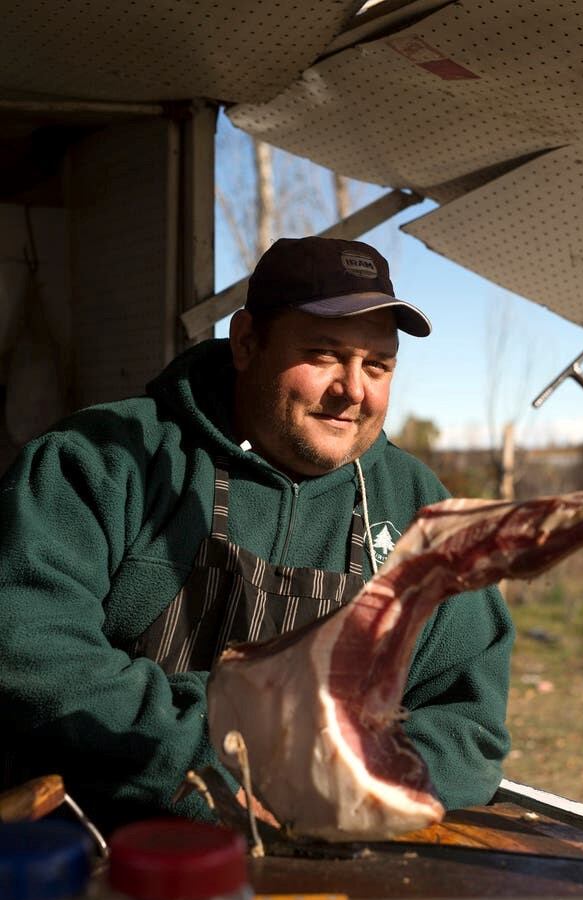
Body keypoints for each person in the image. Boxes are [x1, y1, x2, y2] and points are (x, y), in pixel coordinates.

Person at [0, 237, 513, 833]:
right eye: (324, 355)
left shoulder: (419, 510)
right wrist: (223, 764)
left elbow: (468, 729)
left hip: (324, 860)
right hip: (93, 848)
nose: (353, 390)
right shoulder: (104, 460)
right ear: (246, 342)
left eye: (377, 366)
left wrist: (355, 778)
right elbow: (32, 656)